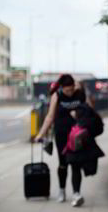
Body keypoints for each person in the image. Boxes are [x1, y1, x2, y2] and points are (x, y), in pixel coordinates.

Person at [35, 74, 86, 207]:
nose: (69, 93)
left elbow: (88, 110)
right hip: (61, 135)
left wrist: (79, 113)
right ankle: (62, 190)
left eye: (71, 89)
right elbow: (50, 117)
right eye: (67, 90)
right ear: (62, 88)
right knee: (63, 163)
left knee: (76, 163)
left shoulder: (79, 94)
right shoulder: (57, 96)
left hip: (77, 135)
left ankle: (76, 193)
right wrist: (41, 134)